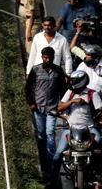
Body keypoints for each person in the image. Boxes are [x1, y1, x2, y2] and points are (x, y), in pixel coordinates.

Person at [52, 70, 102, 178]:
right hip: (71, 128)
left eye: (74, 81)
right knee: (58, 154)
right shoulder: (70, 93)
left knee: (99, 141)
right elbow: (59, 108)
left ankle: (98, 171)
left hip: (89, 128)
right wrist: (72, 101)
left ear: (81, 81)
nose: (71, 83)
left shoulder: (92, 94)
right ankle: (52, 180)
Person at [25, 47, 67, 176]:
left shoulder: (59, 71)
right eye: (45, 57)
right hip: (38, 108)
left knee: (50, 132)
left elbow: (63, 90)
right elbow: (28, 88)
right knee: (41, 134)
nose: (47, 60)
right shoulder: (36, 70)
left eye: (49, 57)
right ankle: (41, 158)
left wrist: (62, 104)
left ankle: (51, 163)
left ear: (53, 57)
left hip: (52, 108)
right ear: (42, 57)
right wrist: (31, 103)